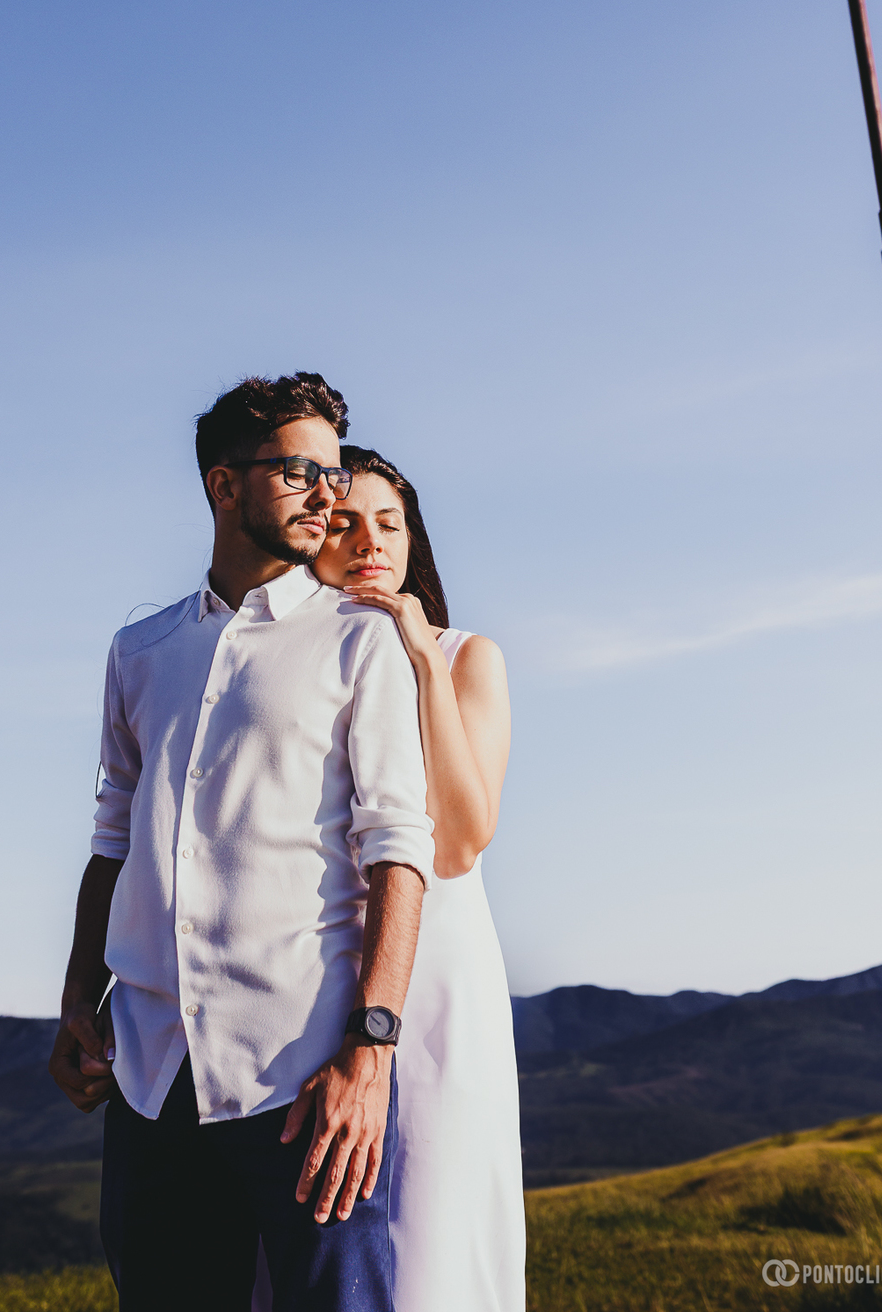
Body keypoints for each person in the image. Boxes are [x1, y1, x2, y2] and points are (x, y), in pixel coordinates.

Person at [47, 372, 436, 1312]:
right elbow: (113, 837)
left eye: (335, 475)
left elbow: (398, 851)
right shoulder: (138, 651)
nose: (328, 496)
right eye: (302, 471)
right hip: (149, 1073)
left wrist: (370, 1051)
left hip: (303, 1078)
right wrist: (74, 996)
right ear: (225, 486)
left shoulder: (359, 642)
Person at [315, 446, 525, 1312]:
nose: (371, 541)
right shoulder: (297, 660)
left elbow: (461, 842)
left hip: (438, 967)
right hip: (327, 959)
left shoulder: (467, 655)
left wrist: (421, 659)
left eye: (390, 523)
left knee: (437, 1200)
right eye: (345, 523)